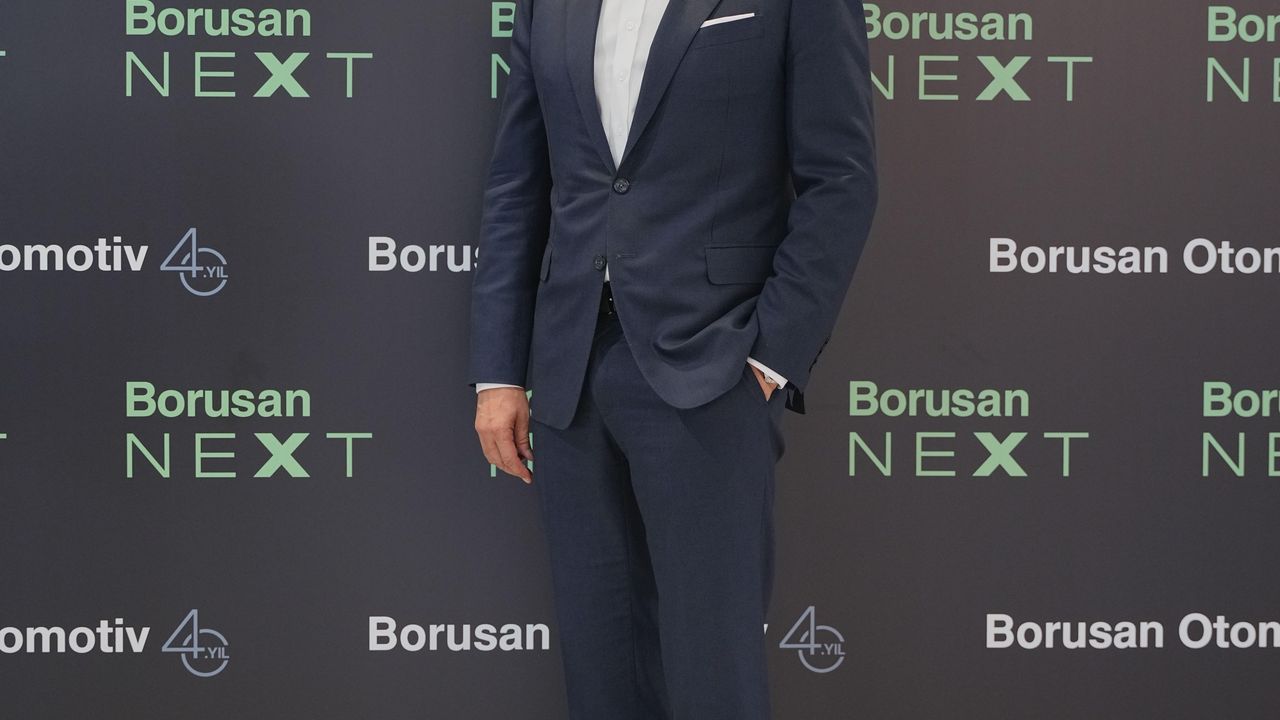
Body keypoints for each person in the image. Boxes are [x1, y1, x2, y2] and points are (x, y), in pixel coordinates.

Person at [469, 0, 877, 717]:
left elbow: (841, 179)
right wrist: (499, 372)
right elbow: (517, 184)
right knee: (602, 671)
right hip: (568, 375)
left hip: (712, 364)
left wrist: (769, 358)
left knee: (712, 671)